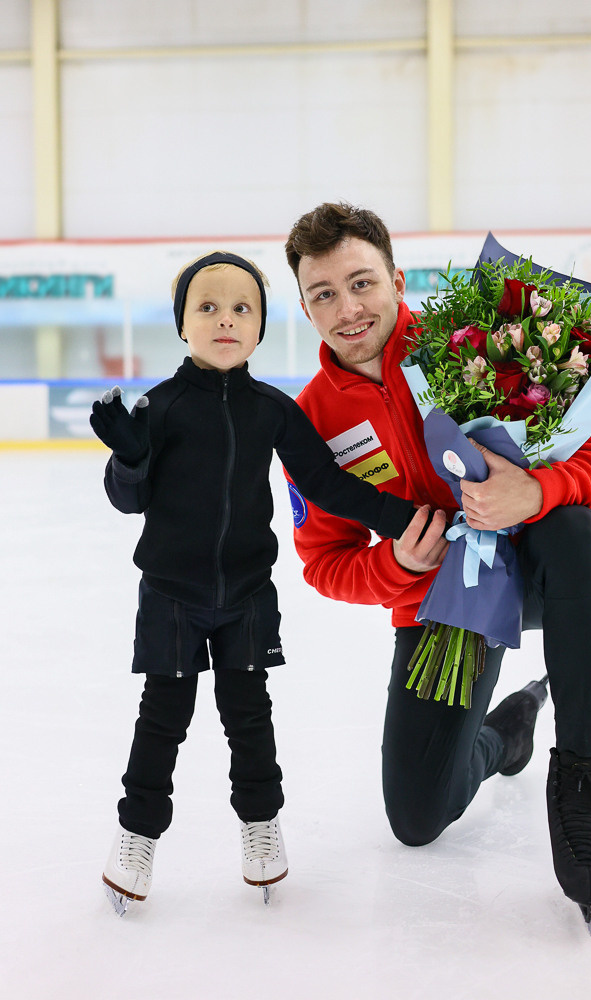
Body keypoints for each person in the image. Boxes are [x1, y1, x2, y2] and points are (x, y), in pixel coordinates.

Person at [283, 202, 591, 932]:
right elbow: (324, 564)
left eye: (361, 283)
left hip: (536, 570)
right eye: (323, 294)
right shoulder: (308, 421)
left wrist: (534, 489)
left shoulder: (469, 342)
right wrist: (399, 567)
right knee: (415, 817)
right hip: (442, 607)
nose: (347, 308)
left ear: (396, 279)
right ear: (304, 306)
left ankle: (579, 784)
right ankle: (508, 731)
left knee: (574, 532)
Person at [90, 250, 420, 914]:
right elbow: (129, 501)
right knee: (162, 721)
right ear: (182, 323)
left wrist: (407, 516)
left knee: (249, 718)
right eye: (206, 307)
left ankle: (261, 828)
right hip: (171, 597)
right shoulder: (161, 406)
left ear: (262, 326)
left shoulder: (272, 410)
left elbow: (328, 484)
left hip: (245, 598)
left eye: (241, 308)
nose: (224, 320)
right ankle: (136, 834)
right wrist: (129, 457)